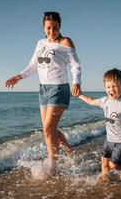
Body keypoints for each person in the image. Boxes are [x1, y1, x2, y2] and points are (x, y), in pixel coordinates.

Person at [5, 12, 81, 172]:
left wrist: (76, 82)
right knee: (49, 129)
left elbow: (75, 64)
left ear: (60, 27)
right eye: (48, 28)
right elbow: (33, 65)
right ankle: (69, 151)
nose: (52, 31)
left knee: (48, 129)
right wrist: (19, 76)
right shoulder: (40, 43)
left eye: (55, 28)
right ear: (43, 27)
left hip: (59, 88)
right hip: (43, 89)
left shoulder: (65, 42)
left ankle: (52, 165)